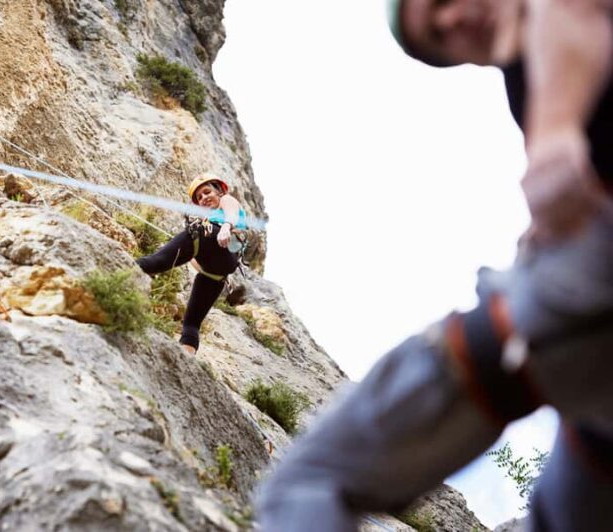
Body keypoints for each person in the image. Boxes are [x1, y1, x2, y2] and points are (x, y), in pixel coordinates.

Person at [256, 1, 613, 530]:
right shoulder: (530, 86)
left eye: (442, 3)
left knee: (307, 480)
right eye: (437, 40)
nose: (449, 24)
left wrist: (556, 130)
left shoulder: (551, 39)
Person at [136, 173, 247, 355]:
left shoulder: (226, 201)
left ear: (219, 191)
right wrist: (183, 252)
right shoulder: (208, 223)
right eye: (199, 197)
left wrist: (226, 227)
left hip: (214, 238)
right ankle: (186, 358)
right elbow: (196, 262)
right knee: (192, 323)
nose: (204, 198)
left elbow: (232, 214)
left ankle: (117, 270)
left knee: (154, 262)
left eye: (207, 192)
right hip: (217, 273)